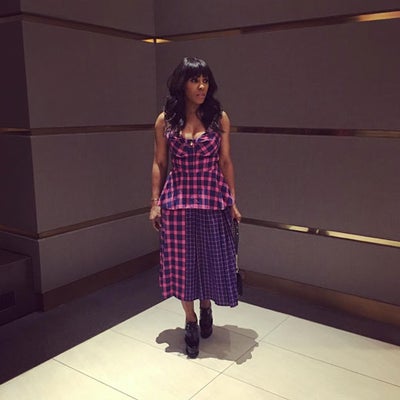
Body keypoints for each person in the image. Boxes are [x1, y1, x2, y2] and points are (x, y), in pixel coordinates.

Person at [149, 56, 241, 358]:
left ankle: (206, 306)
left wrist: (232, 201)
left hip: (212, 198)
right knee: (182, 263)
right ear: (182, 84)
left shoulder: (218, 118)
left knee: (210, 259)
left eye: (205, 80)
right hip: (177, 200)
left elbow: (225, 161)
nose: (202, 86)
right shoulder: (165, 120)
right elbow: (160, 163)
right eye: (194, 80)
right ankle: (190, 320)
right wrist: (155, 203)